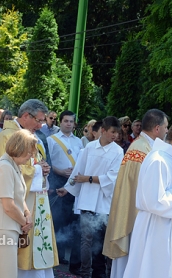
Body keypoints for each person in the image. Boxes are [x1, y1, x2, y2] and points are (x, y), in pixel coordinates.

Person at [0, 99, 59, 278]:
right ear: (26, 116)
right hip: (7, 219)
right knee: (3, 268)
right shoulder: (9, 136)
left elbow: (29, 163)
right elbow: (12, 170)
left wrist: (41, 167)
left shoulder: (27, 135)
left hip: (28, 202)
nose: (40, 125)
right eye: (38, 120)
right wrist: (37, 169)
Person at [123, 117, 172, 277]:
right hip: (154, 228)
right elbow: (154, 201)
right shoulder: (158, 160)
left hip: (164, 227)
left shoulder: (169, 160)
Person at [103, 109, 168, 278]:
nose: (167, 131)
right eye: (166, 127)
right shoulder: (140, 150)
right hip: (135, 217)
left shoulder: (145, 147)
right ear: (157, 128)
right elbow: (141, 188)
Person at [63, 116, 124, 278]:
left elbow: (113, 178)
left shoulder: (118, 151)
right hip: (87, 200)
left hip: (104, 202)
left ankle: (99, 273)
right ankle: (84, 272)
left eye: (117, 133)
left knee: (101, 240)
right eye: (112, 132)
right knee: (86, 240)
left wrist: (88, 179)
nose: (115, 136)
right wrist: (67, 188)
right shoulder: (89, 147)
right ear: (102, 131)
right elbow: (78, 171)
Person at [0, 129, 36, 277]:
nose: (31, 156)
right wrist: (25, 223)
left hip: (8, 227)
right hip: (1, 229)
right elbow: (8, 206)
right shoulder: (5, 167)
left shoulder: (14, 166)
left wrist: (27, 213)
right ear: (19, 148)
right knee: (1, 273)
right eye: (29, 152)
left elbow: (19, 197)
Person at [47, 110, 84, 272]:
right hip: (58, 181)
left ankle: (70, 261)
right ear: (60, 122)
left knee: (73, 221)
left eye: (71, 121)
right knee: (57, 220)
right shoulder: (51, 140)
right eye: (66, 121)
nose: (69, 124)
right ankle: (55, 256)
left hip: (75, 184)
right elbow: (47, 162)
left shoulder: (79, 142)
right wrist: (60, 172)